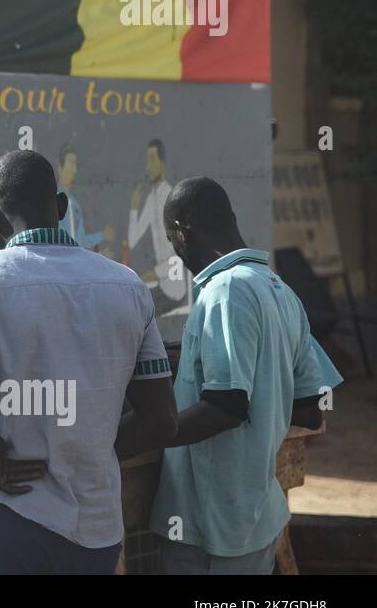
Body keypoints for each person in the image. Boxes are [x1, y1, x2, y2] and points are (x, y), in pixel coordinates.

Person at [0, 149, 177, 574]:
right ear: (61, 206)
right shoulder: (128, 286)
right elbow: (161, 420)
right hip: (98, 524)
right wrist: (88, 450)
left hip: (17, 511)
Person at [138, 177, 344, 574]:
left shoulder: (225, 290)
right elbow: (310, 408)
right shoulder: (279, 289)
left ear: (182, 230)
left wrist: (149, 430)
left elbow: (226, 407)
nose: (177, 253)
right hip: (256, 516)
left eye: (170, 238)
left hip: (211, 526)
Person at [127, 138, 185, 308]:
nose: (148, 166)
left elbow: (179, 257)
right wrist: (134, 207)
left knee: (134, 309)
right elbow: (132, 240)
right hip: (161, 285)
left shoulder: (170, 197)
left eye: (152, 160)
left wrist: (155, 273)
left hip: (174, 291)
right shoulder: (152, 199)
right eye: (147, 160)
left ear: (162, 163)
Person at [56, 143, 114, 254]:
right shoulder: (51, 201)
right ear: (59, 167)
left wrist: (102, 236)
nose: (75, 170)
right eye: (71, 163)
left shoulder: (75, 205)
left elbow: (80, 241)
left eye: (76, 164)